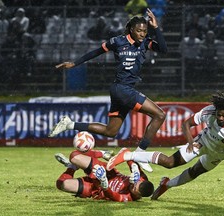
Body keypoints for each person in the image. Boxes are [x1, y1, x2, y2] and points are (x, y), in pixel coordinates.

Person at [48, 8, 168, 173]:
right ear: (131, 30)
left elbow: (163, 49)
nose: (142, 33)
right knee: (159, 115)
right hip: (122, 89)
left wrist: (156, 28)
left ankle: (70, 124)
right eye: (139, 30)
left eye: (144, 31)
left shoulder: (145, 43)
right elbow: (96, 52)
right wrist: (75, 63)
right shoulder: (117, 41)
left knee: (111, 131)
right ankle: (140, 154)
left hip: (122, 90)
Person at [107, 90, 224, 200]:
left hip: (217, 155)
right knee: (170, 162)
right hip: (201, 143)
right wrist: (191, 142)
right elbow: (186, 124)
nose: (220, 118)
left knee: (195, 172)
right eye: (219, 115)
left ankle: (166, 185)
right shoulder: (209, 111)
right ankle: (128, 155)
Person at [55, 149, 154, 202]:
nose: (132, 184)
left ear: (138, 195)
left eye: (133, 188)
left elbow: (112, 196)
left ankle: (72, 167)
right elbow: (126, 151)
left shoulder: (127, 199)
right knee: (74, 156)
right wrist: (134, 167)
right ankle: (102, 153)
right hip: (108, 172)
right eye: (135, 183)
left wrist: (104, 184)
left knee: (62, 184)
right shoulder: (142, 178)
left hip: (96, 189)